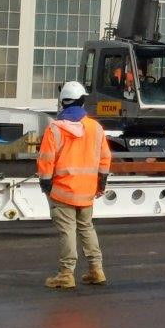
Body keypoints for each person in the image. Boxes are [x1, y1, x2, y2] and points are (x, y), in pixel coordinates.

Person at [36, 80, 112, 290]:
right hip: (86, 191)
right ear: (82, 101)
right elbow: (105, 159)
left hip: (62, 191)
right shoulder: (95, 128)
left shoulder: (55, 129)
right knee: (86, 228)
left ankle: (66, 274)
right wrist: (101, 183)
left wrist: (45, 184)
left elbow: (46, 159)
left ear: (63, 102)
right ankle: (96, 270)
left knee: (67, 230)